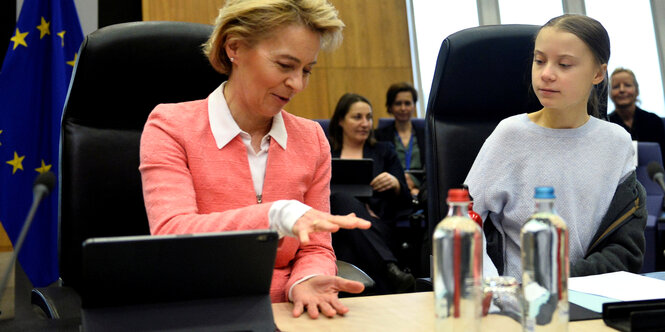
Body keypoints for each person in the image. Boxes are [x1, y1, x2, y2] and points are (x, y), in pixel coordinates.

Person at [139, 0, 373, 319]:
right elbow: (172, 234)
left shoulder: (312, 139)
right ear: (234, 47)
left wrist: (307, 280)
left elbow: (316, 247)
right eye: (285, 65)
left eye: (306, 70)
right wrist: (276, 215)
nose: (298, 84)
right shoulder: (170, 125)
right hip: (200, 310)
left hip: (290, 311)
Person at [465, 14, 647, 281]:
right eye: (539, 61)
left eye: (564, 64)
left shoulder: (617, 143)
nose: (546, 74)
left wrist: (563, 282)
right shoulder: (510, 135)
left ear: (598, 73)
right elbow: (463, 222)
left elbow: (625, 249)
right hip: (515, 302)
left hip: (589, 297)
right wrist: (491, 288)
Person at [328, 93, 415, 294]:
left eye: (369, 117)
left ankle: (352, 304)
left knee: (348, 247)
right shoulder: (326, 153)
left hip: (377, 226)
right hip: (334, 227)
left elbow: (407, 202)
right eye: (357, 117)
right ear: (341, 120)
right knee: (340, 200)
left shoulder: (384, 151)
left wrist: (396, 184)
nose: (365, 123)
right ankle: (389, 270)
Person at [374, 82, 426, 199]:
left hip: (423, 190)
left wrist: (419, 188)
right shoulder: (378, 136)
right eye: (398, 104)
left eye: (407, 103)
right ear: (390, 107)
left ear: (414, 106)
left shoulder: (426, 135)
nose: (403, 108)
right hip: (392, 190)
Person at [608, 67, 665, 162]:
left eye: (627, 85)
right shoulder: (606, 124)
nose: (622, 90)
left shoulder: (654, 121)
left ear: (636, 90)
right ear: (610, 93)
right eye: (616, 87)